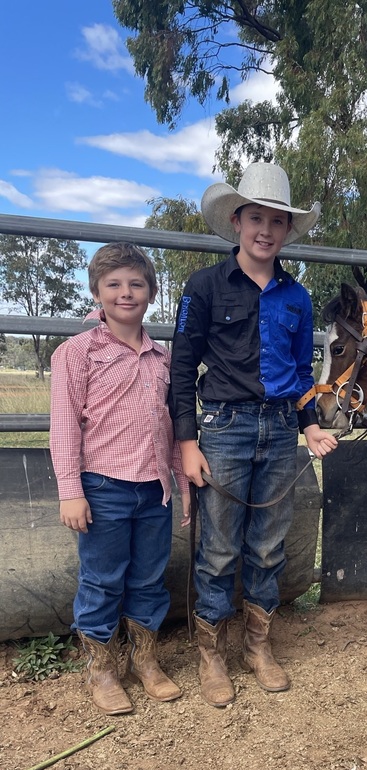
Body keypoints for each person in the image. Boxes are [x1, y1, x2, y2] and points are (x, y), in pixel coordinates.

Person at [169, 161, 337, 708]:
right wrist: (187, 442)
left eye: (277, 221)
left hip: (281, 428)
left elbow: (301, 373)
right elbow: (182, 368)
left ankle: (257, 645)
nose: (265, 230)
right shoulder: (204, 287)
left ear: (287, 230)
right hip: (224, 427)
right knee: (219, 546)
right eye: (256, 218)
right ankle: (212, 652)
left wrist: (310, 425)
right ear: (237, 221)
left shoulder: (296, 298)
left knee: (268, 544)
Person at [50, 243, 190, 716]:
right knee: (102, 580)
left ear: (150, 293)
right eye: (113, 284)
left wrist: (182, 485)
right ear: (97, 292)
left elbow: (172, 429)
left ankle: (145, 660)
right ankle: (103, 669)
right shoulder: (78, 353)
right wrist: (71, 491)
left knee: (149, 578)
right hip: (103, 488)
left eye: (136, 283)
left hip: (154, 490)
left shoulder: (162, 358)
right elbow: (64, 425)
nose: (125, 292)